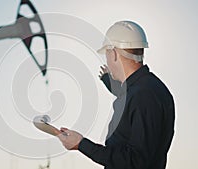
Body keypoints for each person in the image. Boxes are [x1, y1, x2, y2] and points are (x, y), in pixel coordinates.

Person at [57, 21, 175, 169]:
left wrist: (81, 144)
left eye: (106, 54)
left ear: (113, 54)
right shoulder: (147, 89)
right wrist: (110, 81)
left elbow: (135, 161)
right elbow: (129, 99)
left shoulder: (144, 94)